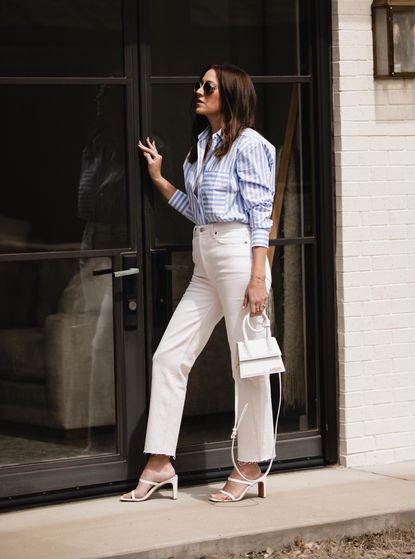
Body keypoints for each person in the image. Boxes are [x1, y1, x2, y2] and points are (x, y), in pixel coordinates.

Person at [120, 63, 276, 503]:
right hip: (205, 254)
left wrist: (258, 276)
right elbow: (198, 210)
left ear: (230, 94)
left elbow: (260, 214)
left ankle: (249, 464)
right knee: (169, 356)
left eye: (208, 86)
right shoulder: (204, 145)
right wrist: (160, 180)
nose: (199, 90)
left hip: (238, 253)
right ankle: (159, 462)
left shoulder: (250, 145)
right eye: (199, 84)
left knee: (247, 361)